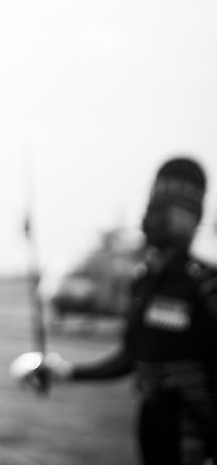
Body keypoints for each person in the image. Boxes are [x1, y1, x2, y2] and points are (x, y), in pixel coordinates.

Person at [12, 157, 217, 465]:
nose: (149, 217)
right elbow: (131, 356)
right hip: (153, 419)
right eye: (151, 207)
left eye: (164, 210)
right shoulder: (144, 282)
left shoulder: (205, 285)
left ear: (190, 219)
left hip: (195, 428)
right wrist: (65, 370)